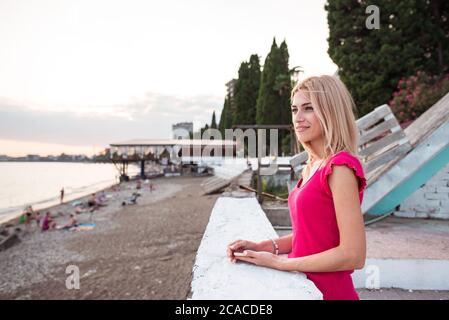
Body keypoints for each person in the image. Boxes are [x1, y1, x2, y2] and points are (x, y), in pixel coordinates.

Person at [227, 75, 367, 300]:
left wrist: (282, 264)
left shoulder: (340, 168)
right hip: (304, 288)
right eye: (294, 109)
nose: (298, 118)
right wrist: (264, 246)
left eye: (308, 108)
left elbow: (353, 255)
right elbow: (312, 234)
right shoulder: (313, 166)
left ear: (330, 111)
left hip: (329, 292)